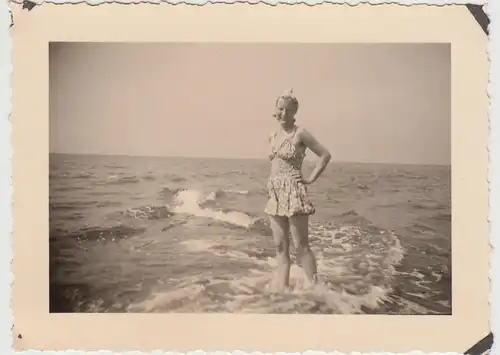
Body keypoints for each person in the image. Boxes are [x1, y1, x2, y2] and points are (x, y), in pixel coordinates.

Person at [265, 89, 331, 291]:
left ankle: (315, 289)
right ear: (275, 111)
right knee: (279, 246)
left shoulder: (300, 133)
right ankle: (282, 288)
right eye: (280, 109)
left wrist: (310, 178)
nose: (283, 113)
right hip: (275, 193)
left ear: (294, 113)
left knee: (301, 246)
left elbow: (325, 154)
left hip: (294, 191)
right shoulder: (273, 136)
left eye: (288, 110)